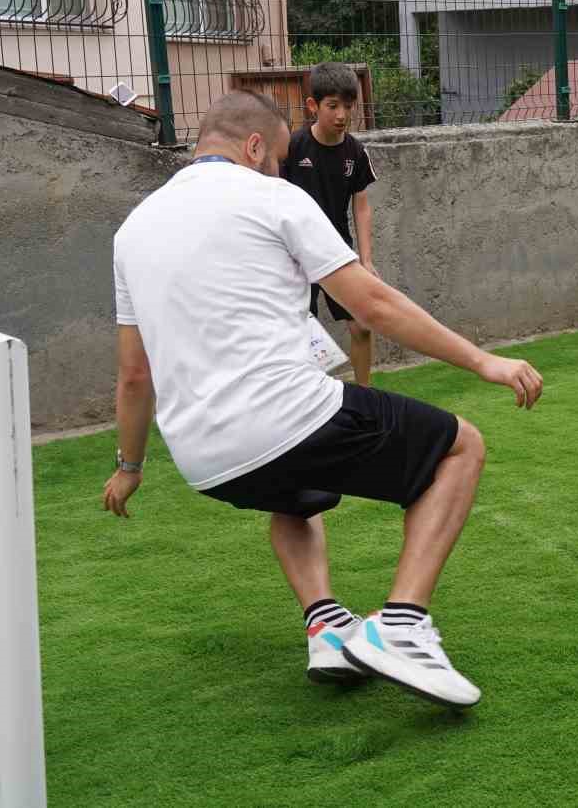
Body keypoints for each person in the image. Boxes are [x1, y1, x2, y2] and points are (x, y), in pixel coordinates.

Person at [104, 91, 543, 710]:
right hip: (288, 418)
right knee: (459, 447)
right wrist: (482, 360)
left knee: (294, 494)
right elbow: (372, 304)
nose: (282, 169)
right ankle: (402, 625)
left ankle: (326, 630)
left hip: (205, 462)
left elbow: (132, 374)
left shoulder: (132, 231)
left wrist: (129, 468)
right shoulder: (275, 196)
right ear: (255, 148)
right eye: (279, 157)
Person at [282, 63, 378, 387]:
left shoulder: (356, 152)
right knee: (298, 331)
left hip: (337, 253)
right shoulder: (293, 148)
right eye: (332, 106)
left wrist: (366, 260)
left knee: (362, 324)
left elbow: (361, 206)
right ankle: (303, 397)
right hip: (294, 256)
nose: (341, 115)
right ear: (313, 106)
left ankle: (366, 397)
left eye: (348, 106)